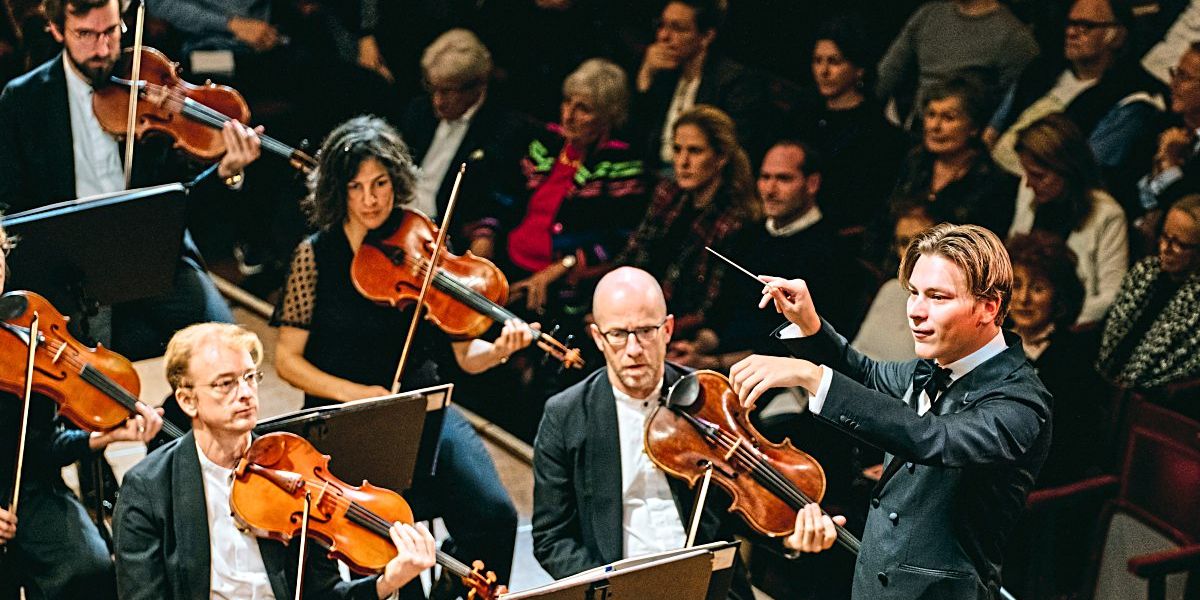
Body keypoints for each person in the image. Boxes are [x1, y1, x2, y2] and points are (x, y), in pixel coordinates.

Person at [272, 115, 525, 595]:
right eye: (357, 186)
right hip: (346, 418)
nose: (371, 199)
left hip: (421, 404)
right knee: (388, 537)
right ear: (337, 191)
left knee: (494, 514)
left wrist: (498, 350)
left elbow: (466, 355)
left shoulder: (421, 241)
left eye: (381, 183)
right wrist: (355, 395)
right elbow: (287, 360)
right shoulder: (315, 254)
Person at [730, 223, 1052, 598]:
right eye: (914, 293)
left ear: (988, 307)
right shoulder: (934, 367)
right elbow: (865, 373)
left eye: (937, 297)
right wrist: (810, 325)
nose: (915, 311)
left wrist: (812, 377)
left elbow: (933, 438)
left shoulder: (1021, 401)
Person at [0, 0, 262, 360]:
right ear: (58, 31)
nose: (103, 50)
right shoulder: (24, 100)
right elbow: (10, 202)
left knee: (224, 348)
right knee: (91, 365)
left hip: (149, 250)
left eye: (111, 32)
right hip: (68, 262)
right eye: (86, 35)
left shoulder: (150, 84)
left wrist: (226, 172)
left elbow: (184, 204)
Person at [112, 322, 436, 599]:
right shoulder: (149, 489)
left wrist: (387, 581)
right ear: (187, 400)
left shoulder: (295, 466)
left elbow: (324, 594)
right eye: (226, 383)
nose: (245, 393)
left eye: (250, 377)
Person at [531, 266, 751, 599]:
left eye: (646, 331)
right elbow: (551, 538)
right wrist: (613, 589)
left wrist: (791, 535)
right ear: (598, 338)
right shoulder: (565, 415)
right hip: (621, 588)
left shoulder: (708, 399)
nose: (633, 349)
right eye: (618, 334)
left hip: (708, 584)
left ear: (667, 330)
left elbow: (746, 501)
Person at [0, 219, 164, 599]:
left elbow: (43, 445)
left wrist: (104, 435)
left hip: (28, 488)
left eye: (0, 253)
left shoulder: (26, 326)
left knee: (90, 569)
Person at [465, 58, 648, 317]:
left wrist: (566, 264)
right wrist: (485, 236)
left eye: (583, 109)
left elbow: (619, 238)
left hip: (560, 284)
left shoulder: (621, 166)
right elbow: (505, 197)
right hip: (506, 263)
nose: (569, 115)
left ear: (608, 117)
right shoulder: (546, 144)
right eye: (567, 102)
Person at [669, 140, 850, 370]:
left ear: (812, 183)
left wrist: (712, 363)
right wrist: (697, 348)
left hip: (784, 379)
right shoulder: (749, 234)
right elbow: (723, 313)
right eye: (765, 177)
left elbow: (801, 346)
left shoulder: (832, 252)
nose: (770, 190)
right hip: (725, 361)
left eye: (783, 179)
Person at [987, 0, 1164, 194]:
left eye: (1086, 26)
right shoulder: (1041, 70)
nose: (1071, 33)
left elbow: (1085, 170)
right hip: (989, 177)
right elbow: (992, 132)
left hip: (1041, 194)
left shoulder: (1133, 98)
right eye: (1070, 24)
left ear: (1117, 36)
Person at [616, 104, 760, 339]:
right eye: (677, 149)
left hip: (681, 334)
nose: (682, 162)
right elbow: (632, 256)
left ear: (721, 157)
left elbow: (709, 308)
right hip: (637, 314)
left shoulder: (735, 221)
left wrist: (650, 331)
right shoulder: (667, 195)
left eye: (694, 151)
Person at [1006, 232, 1108, 487]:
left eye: (1037, 288)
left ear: (1059, 298)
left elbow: (1070, 448)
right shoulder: (991, 342)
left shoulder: (1072, 360)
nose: (1023, 299)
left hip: (1032, 487)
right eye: (1016, 285)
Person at [881, 75, 1019, 262]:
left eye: (948, 118)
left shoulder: (995, 182)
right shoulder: (912, 163)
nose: (935, 126)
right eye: (931, 115)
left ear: (974, 127)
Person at [796, 16, 908, 244]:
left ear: (859, 69)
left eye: (835, 62)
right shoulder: (801, 117)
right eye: (817, 61)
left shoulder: (878, 131)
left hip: (844, 237)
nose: (823, 71)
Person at [1010, 113, 1128, 324]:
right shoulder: (1029, 190)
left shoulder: (1108, 215)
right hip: (1020, 314)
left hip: (1070, 326)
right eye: (1027, 174)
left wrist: (1057, 325)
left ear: (1067, 170)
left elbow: (1111, 296)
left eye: (1038, 176)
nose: (1028, 184)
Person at [401, 29, 527, 224]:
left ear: (478, 86)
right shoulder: (419, 110)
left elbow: (499, 198)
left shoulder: (504, 128)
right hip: (399, 215)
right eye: (432, 88)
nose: (437, 101)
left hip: (446, 228)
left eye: (447, 91)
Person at [632, 0, 767, 171]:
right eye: (661, 25)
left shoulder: (735, 82)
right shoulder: (664, 75)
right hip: (655, 175)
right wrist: (646, 75)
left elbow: (734, 150)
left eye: (677, 28)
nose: (663, 36)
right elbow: (637, 139)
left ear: (706, 37)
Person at [876, 0, 1038, 130]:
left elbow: (1016, 102)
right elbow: (888, 73)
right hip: (920, 125)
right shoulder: (929, 14)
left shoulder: (1014, 37)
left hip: (967, 136)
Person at [1096, 194, 1200, 391]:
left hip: (1148, 398)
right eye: (1164, 236)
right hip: (1107, 380)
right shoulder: (1145, 272)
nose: (1165, 248)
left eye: (1179, 244)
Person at [852, 201, 935, 362]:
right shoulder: (891, 290)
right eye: (904, 243)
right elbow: (858, 354)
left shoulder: (957, 304)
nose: (911, 252)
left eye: (921, 242)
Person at [1136, 42, 1200, 233]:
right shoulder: (1160, 124)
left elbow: (1188, 218)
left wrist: (1169, 165)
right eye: (1175, 73)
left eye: (1184, 77)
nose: (1172, 84)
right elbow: (1128, 186)